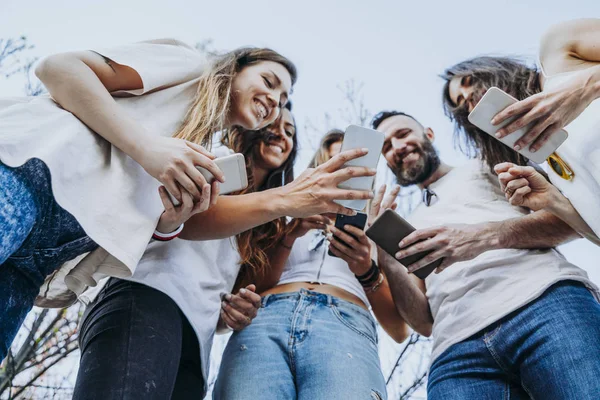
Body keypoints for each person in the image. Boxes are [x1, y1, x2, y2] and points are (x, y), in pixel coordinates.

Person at [0, 39, 374, 362]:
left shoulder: (201, 147)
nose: (274, 102)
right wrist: (147, 148)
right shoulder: (192, 67)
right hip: (28, 176)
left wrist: (169, 221)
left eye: (283, 99)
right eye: (269, 82)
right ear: (236, 68)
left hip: (48, 255)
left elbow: (143, 216)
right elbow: (59, 68)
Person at [371, 110, 600, 399]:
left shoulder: (486, 165)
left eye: (402, 134)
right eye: (386, 147)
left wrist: (480, 237)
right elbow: (423, 322)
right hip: (455, 353)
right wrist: (387, 259)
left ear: (428, 133)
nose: (397, 147)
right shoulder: (406, 224)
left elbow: (574, 222)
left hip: (543, 304)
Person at [213, 129, 409, 400]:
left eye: (352, 166)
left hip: (344, 325)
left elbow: (400, 330)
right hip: (265, 320)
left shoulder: (378, 226)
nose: (343, 173)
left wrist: (365, 268)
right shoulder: (282, 215)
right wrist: (290, 234)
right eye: (334, 163)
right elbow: (251, 287)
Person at [441, 18, 600, 242]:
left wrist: (585, 87)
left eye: (468, 81)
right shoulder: (545, 164)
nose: (468, 97)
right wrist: (553, 201)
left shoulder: (558, 49)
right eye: (462, 103)